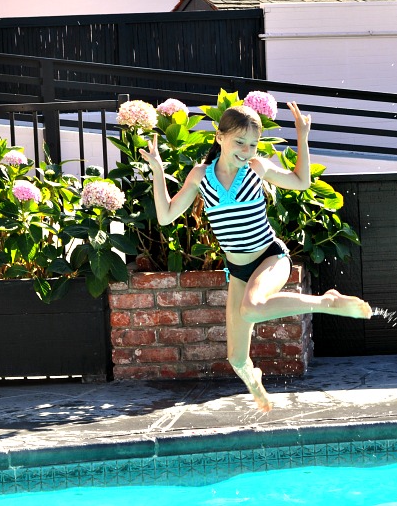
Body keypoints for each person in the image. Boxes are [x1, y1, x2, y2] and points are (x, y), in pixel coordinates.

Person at [140, 101, 372, 412]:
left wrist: (302, 137)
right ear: (219, 137)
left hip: (271, 258)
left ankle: (328, 302)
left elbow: (301, 182)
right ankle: (255, 385)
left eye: (252, 144)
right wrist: (158, 172)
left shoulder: (256, 169)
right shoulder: (200, 176)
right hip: (238, 271)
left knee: (252, 307)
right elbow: (166, 215)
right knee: (236, 358)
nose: (247, 150)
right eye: (240, 142)